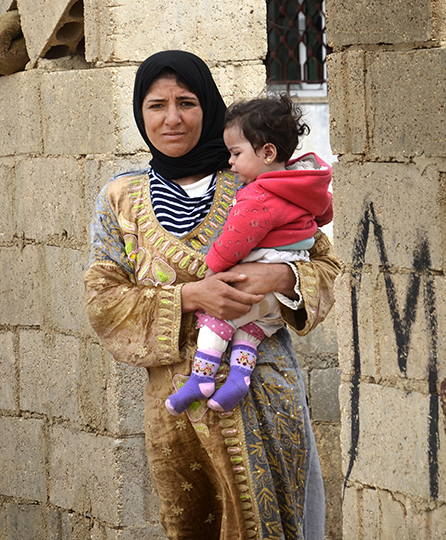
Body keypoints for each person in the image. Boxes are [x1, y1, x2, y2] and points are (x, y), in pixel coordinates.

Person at [84, 50, 340, 540]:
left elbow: (325, 264)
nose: (172, 118)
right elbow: (102, 299)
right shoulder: (120, 198)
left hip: (263, 398)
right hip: (175, 419)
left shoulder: (254, 176)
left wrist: (281, 279)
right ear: (141, 113)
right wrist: (189, 297)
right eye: (157, 105)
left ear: (210, 110)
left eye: (187, 102)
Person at [165, 95, 333, 416]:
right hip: (279, 299)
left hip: (253, 283)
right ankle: (239, 377)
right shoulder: (303, 183)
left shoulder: (257, 195)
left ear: (267, 153)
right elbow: (324, 215)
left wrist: (212, 269)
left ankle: (201, 377)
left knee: (218, 317)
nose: (231, 162)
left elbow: (233, 242)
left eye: (236, 153)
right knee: (251, 329)